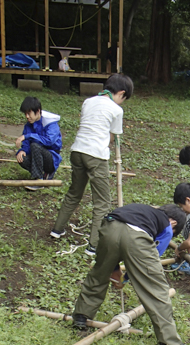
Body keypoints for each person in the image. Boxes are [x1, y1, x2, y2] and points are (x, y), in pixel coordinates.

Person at [72, 203, 187, 345]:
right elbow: (148, 265)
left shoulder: (140, 209)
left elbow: (117, 241)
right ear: (173, 223)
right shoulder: (166, 226)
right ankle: (171, 343)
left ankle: (81, 316)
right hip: (137, 237)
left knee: (99, 272)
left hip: (110, 226)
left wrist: (114, 270)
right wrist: (125, 279)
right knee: (155, 290)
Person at [50, 73, 134, 257]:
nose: (122, 103)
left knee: (74, 192)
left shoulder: (89, 101)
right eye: (123, 99)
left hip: (77, 151)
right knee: (102, 202)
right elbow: (112, 137)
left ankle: (57, 230)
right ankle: (94, 246)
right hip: (96, 156)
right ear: (121, 93)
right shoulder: (116, 110)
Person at [15, 96, 62, 191]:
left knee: (35, 146)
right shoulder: (28, 125)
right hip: (37, 155)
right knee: (22, 158)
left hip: (51, 157)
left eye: (29, 113)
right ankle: (42, 175)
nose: (27, 117)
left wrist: (28, 136)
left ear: (38, 111)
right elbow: (27, 143)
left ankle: (39, 181)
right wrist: (22, 150)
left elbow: (49, 141)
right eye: (25, 114)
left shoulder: (51, 123)